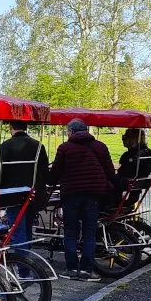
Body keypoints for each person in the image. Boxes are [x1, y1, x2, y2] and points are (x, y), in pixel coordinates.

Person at [48, 119, 115, 280]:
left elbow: (56, 172)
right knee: (89, 233)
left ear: (71, 131)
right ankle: (87, 270)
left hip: (71, 195)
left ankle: (71, 268)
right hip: (94, 195)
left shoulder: (65, 148)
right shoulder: (100, 146)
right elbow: (110, 171)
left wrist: (49, 181)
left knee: (70, 231)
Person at [0, 120, 49, 245]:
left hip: (13, 194)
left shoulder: (6, 145)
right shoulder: (38, 145)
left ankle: (21, 260)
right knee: (28, 226)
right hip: (33, 192)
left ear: (11, 127)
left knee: (17, 228)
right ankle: (27, 256)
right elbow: (44, 170)